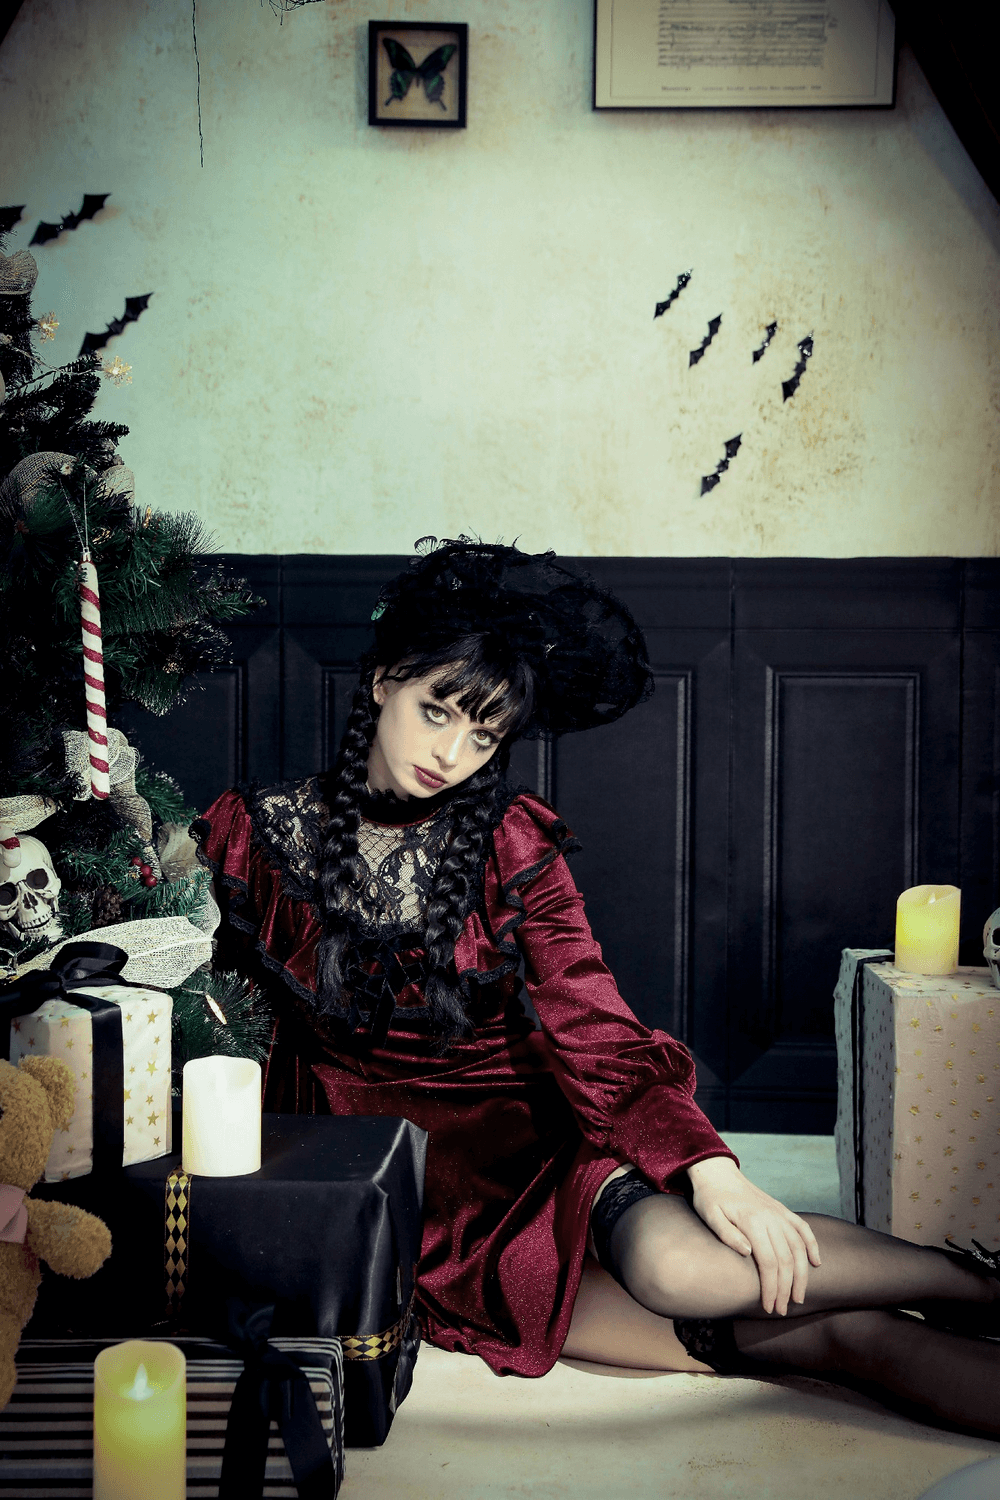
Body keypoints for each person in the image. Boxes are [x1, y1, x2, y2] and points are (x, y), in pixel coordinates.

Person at [196, 538, 1000, 1438]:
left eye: (484, 733)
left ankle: (977, 1280)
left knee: (680, 1270)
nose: (452, 752)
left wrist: (711, 1170)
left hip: (530, 1154)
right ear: (383, 680)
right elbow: (219, 1026)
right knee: (833, 1337)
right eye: (436, 712)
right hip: (402, 1208)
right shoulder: (250, 836)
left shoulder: (508, 843)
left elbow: (593, 1018)